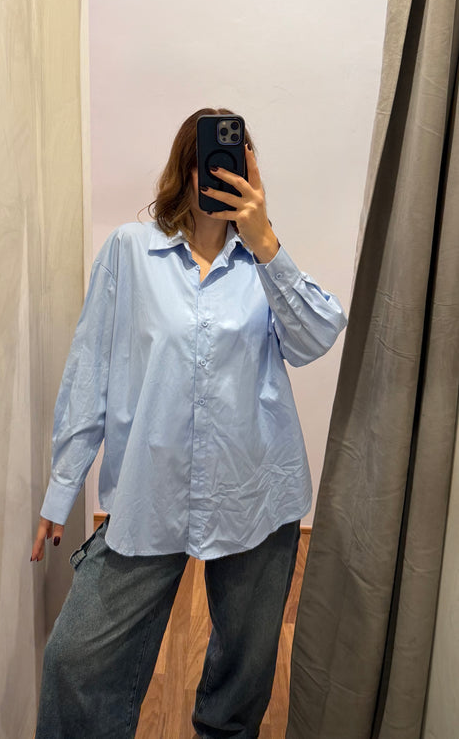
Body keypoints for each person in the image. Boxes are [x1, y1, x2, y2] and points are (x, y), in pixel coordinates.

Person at [31, 107, 348, 739]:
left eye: (236, 159)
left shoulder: (264, 265)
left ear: (251, 170)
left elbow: (316, 338)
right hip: (151, 491)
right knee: (74, 660)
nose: (221, 171)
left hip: (256, 492)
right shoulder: (130, 251)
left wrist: (266, 242)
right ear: (186, 165)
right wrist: (62, 488)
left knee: (241, 679)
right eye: (209, 158)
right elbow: (90, 369)